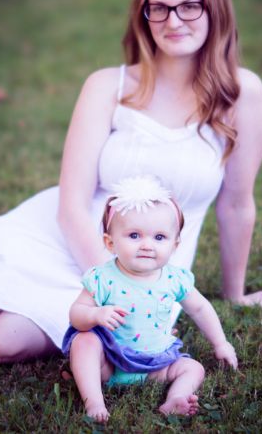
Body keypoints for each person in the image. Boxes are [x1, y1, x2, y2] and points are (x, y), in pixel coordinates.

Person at [0, 0, 262, 363]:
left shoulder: (240, 93)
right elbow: (71, 204)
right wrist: (106, 284)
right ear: (144, 15)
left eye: (189, 6)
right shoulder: (108, 85)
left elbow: (236, 204)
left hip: (149, 269)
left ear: (214, 8)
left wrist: (235, 295)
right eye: (158, 8)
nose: (173, 20)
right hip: (67, 241)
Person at [62, 176, 238, 423]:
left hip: (156, 365)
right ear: (110, 243)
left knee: (193, 368)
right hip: (110, 363)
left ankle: (174, 399)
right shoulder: (103, 277)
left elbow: (199, 308)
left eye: (159, 238)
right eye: (134, 235)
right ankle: (94, 402)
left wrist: (221, 343)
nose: (147, 245)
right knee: (84, 342)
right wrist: (94, 315)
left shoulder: (174, 279)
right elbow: (76, 314)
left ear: (175, 245)